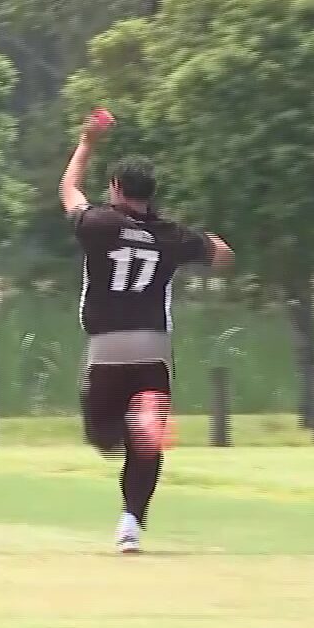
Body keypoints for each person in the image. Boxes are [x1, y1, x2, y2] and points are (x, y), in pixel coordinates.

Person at [59, 110, 234, 553]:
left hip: (106, 348)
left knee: (103, 436)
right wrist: (206, 242)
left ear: (116, 189)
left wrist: (87, 142)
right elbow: (222, 255)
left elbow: (68, 191)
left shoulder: (98, 223)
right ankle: (131, 523)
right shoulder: (171, 235)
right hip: (154, 349)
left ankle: (126, 433)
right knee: (148, 444)